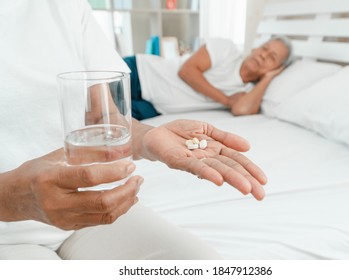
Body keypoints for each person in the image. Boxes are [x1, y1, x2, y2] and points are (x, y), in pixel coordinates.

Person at [0, 0, 267, 260]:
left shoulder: (66, 6)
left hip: (92, 206)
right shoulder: (223, 51)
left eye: (272, 59)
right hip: (7, 232)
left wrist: (147, 137)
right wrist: (13, 198)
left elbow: (102, 116)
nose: (263, 56)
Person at [125, 36, 293, 120]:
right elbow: (187, 71)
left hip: (154, 108)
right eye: (264, 48)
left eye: (272, 58)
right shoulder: (227, 49)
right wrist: (226, 100)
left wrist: (267, 79)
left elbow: (241, 110)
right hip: (141, 73)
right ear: (255, 48)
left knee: (106, 123)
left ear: (276, 69)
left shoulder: (248, 92)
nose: (264, 56)